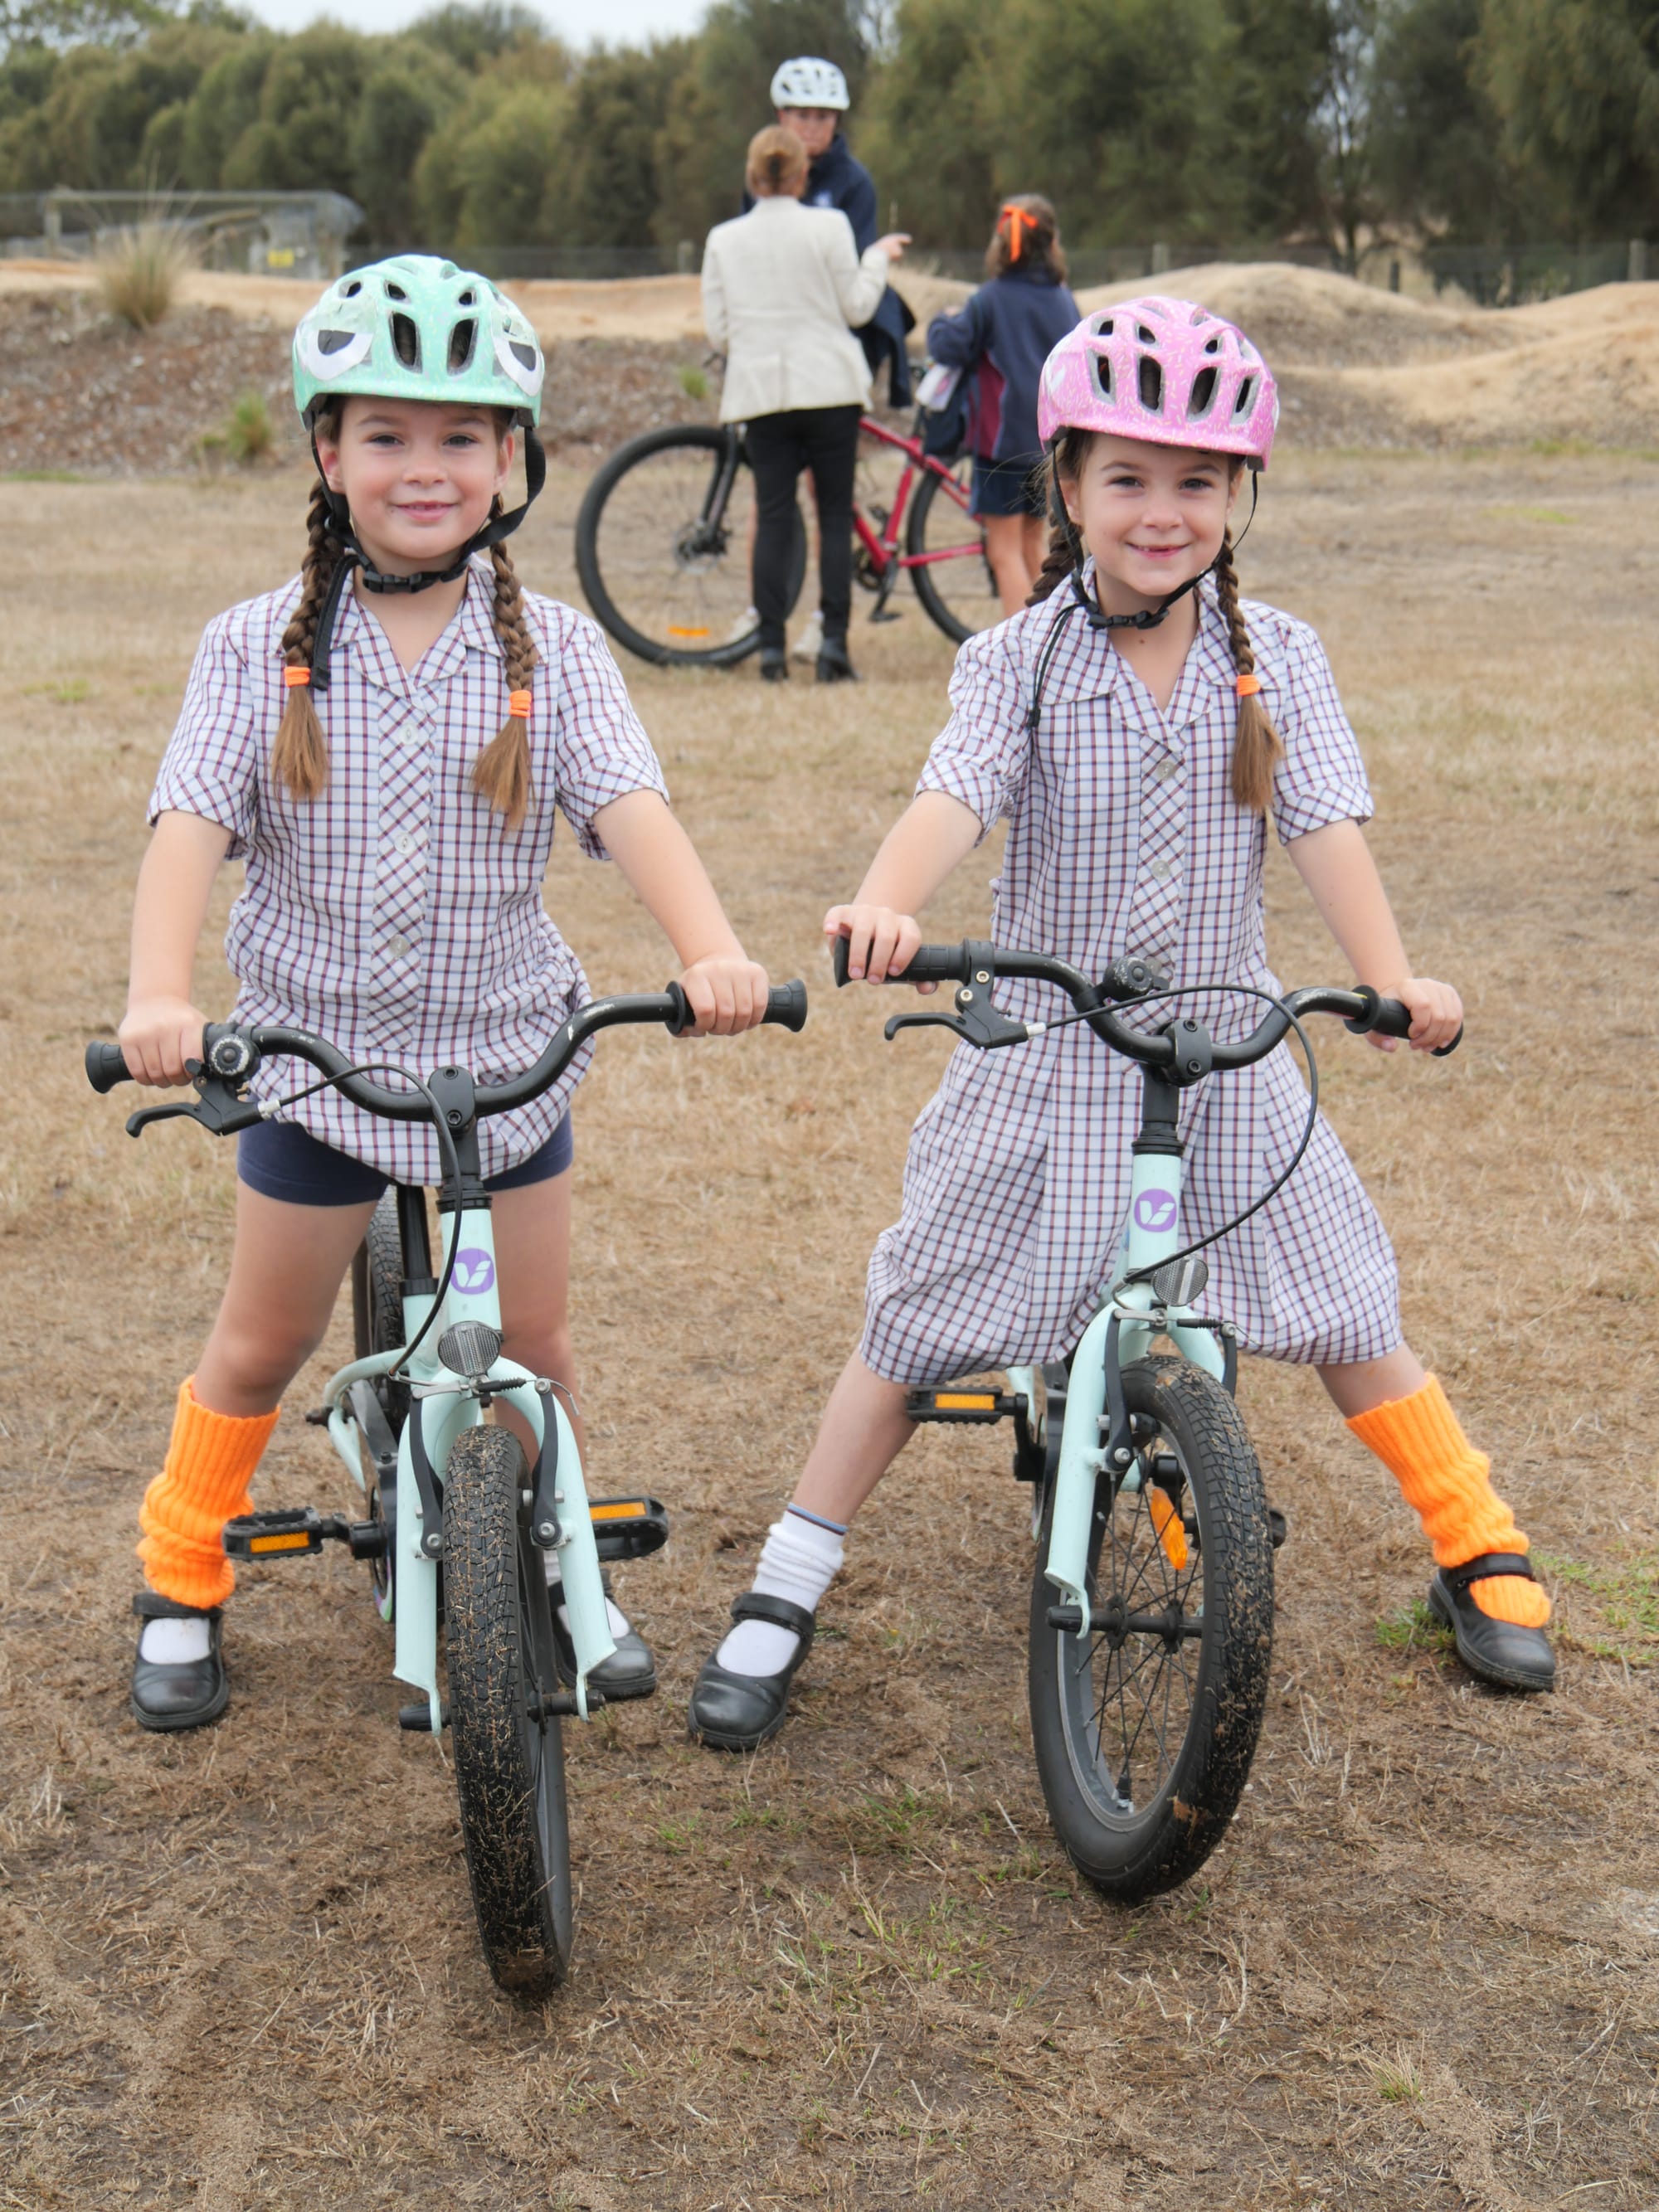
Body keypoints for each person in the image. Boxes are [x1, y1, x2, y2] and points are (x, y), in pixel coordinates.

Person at [687, 296, 1554, 1753]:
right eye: (1129, 479)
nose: (1164, 513)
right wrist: (887, 902)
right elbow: (953, 794)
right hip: (1048, 1046)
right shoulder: (1018, 659)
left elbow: (1325, 824)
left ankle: (1474, 1537)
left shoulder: (1274, 654)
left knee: (1345, 1296)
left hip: (1220, 1047)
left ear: (1240, 496)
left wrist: (1396, 980)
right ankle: (789, 1575)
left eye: (1199, 482)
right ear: (1068, 485)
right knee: (919, 1316)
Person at [119, 255, 775, 1733]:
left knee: (534, 1353)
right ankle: (180, 1570)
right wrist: (163, 991)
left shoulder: (550, 649)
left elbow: (630, 810)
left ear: (513, 461)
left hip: (502, 1062)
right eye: (390, 435)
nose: (427, 467)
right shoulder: (255, 645)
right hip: (317, 1062)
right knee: (263, 1341)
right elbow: (188, 830)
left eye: (463, 437)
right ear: (326, 450)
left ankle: (561, 1571)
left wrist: (710, 948)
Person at [703, 128, 907, 684]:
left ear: (752, 176)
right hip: (830, 387)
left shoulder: (723, 239)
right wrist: (877, 258)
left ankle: (771, 648)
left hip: (762, 392)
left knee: (774, 514)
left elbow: (720, 333)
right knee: (833, 515)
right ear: (801, 176)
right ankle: (833, 645)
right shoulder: (831, 225)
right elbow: (859, 307)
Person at [742, 55, 916, 665]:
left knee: (818, 499)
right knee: (778, 506)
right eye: (800, 114)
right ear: (781, 116)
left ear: (835, 120)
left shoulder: (853, 183)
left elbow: (852, 293)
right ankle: (770, 612)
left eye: (821, 116)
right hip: (791, 354)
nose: (811, 126)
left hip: (831, 344)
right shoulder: (761, 176)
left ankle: (818, 621)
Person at [926, 196, 1079, 617]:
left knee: (1003, 552)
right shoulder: (1063, 299)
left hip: (1000, 442)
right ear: (1051, 244)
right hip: (1048, 440)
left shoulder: (989, 299)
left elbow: (949, 345)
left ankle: (1022, 649)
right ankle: (1053, 637)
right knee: (1035, 547)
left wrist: (943, 318)